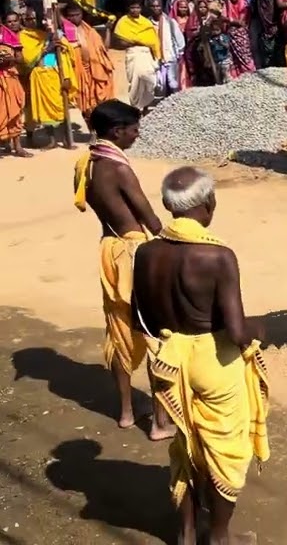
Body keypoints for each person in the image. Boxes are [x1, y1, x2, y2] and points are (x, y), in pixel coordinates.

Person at [133, 166, 270, 545]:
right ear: (209, 203)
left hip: (169, 361)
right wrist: (261, 329)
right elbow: (237, 332)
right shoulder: (217, 256)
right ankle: (219, 537)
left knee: (185, 446)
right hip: (215, 364)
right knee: (225, 452)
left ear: (169, 206)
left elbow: (140, 318)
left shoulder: (145, 253)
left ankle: (187, 532)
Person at [70, 99, 171, 437]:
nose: (137, 135)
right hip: (133, 252)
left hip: (109, 249)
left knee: (118, 331)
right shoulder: (120, 168)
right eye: (134, 130)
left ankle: (127, 412)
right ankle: (160, 422)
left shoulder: (87, 163)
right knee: (155, 333)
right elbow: (150, 219)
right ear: (117, 131)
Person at [20, 8, 77, 148]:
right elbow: (29, 60)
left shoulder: (57, 37)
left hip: (55, 76)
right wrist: (46, 49)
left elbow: (67, 58)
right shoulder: (40, 38)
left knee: (62, 107)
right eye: (44, 19)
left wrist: (66, 77)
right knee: (44, 110)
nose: (44, 22)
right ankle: (52, 140)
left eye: (47, 20)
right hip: (41, 77)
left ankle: (66, 139)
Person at [112, 0, 160, 110]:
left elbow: (153, 41)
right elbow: (120, 42)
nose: (135, 10)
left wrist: (156, 55)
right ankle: (136, 108)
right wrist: (137, 41)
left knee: (149, 80)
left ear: (141, 9)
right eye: (132, 8)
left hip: (146, 54)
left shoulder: (146, 23)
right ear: (128, 9)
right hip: (133, 53)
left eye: (137, 8)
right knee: (135, 82)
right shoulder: (123, 22)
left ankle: (146, 106)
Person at [0, 11, 28, 156]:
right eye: (8, 21)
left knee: (15, 111)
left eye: (14, 21)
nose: (11, 24)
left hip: (10, 77)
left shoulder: (11, 37)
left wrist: (10, 59)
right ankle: (5, 143)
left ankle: (18, 147)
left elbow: (20, 59)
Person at [147, 0, 185, 97]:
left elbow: (179, 39)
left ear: (162, 7)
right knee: (159, 86)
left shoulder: (170, 22)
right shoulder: (146, 23)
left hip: (170, 57)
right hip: (154, 59)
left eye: (158, 6)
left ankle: (177, 102)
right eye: (153, 6)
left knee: (173, 83)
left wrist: (179, 53)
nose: (155, 8)